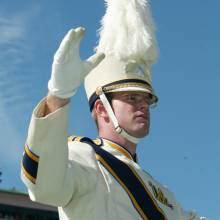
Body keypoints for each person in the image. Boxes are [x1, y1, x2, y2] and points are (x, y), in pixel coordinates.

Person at [21, 0, 207, 219]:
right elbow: (45, 186)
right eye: (131, 97)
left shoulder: (165, 196)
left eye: (147, 99)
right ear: (101, 108)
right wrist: (58, 95)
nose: (143, 105)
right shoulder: (84, 155)